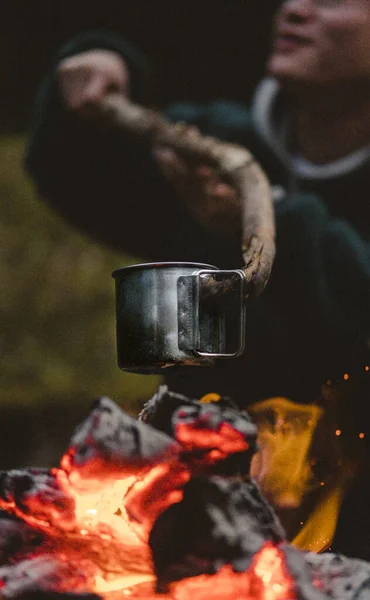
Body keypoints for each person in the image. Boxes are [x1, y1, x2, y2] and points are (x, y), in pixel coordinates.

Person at [25, 0, 370, 559]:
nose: (296, 10)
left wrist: (270, 218)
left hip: (348, 519)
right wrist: (101, 63)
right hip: (193, 494)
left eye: (333, 1)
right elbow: (73, 173)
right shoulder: (215, 145)